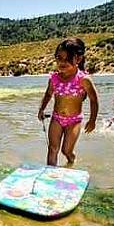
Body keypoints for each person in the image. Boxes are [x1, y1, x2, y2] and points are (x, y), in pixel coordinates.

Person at [37, 37, 99, 167]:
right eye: (59, 58)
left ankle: (71, 162)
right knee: (53, 149)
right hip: (56, 118)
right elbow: (48, 94)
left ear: (78, 59)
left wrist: (92, 120)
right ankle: (50, 173)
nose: (62, 62)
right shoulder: (54, 78)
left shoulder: (83, 80)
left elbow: (94, 100)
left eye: (67, 59)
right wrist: (41, 109)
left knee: (66, 150)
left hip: (74, 120)